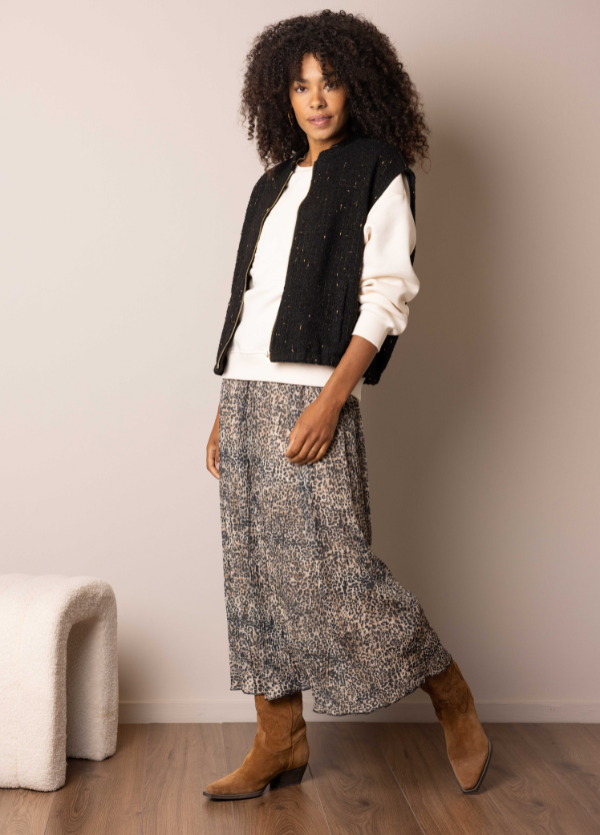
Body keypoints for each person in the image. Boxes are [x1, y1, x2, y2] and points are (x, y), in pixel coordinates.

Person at [204, 10, 492, 800]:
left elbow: (388, 295)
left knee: (340, 573)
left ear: (357, 87)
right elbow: (250, 300)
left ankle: (449, 691)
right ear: (282, 97)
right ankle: (279, 740)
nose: (316, 98)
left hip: (313, 393)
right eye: (301, 86)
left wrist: (333, 398)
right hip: (245, 393)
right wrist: (225, 407)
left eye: (329, 83)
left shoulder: (377, 168)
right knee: (254, 578)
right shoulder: (271, 184)